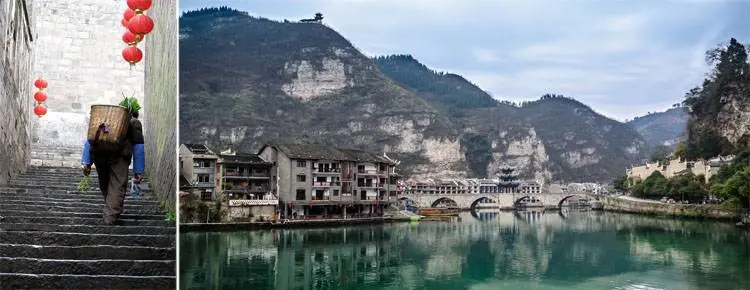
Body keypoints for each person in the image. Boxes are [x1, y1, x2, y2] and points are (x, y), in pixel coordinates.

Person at [81, 109, 145, 225]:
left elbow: (89, 139)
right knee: (117, 185)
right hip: (119, 156)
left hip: (98, 153)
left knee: (105, 183)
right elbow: (138, 146)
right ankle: (110, 216)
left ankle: (111, 208)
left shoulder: (104, 118)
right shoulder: (135, 122)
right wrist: (138, 170)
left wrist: (86, 162)